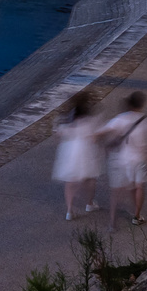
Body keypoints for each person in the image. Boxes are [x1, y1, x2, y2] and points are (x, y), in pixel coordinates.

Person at [100, 91, 147, 229]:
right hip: (143, 159)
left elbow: (103, 132)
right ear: (142, 104)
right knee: (139, 186)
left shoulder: (121, 118)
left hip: (124, 159)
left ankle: (112, 222)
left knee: (118, 190)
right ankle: (137, 215)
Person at [51, 91, 102, 220]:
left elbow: (58, 134)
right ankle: (89, 203)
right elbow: (94, 137)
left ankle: (69, 211)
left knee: (70, 181)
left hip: (69, 151)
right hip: (85, 150)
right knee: (90, 178)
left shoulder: (65, 118)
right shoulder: (89, 119)